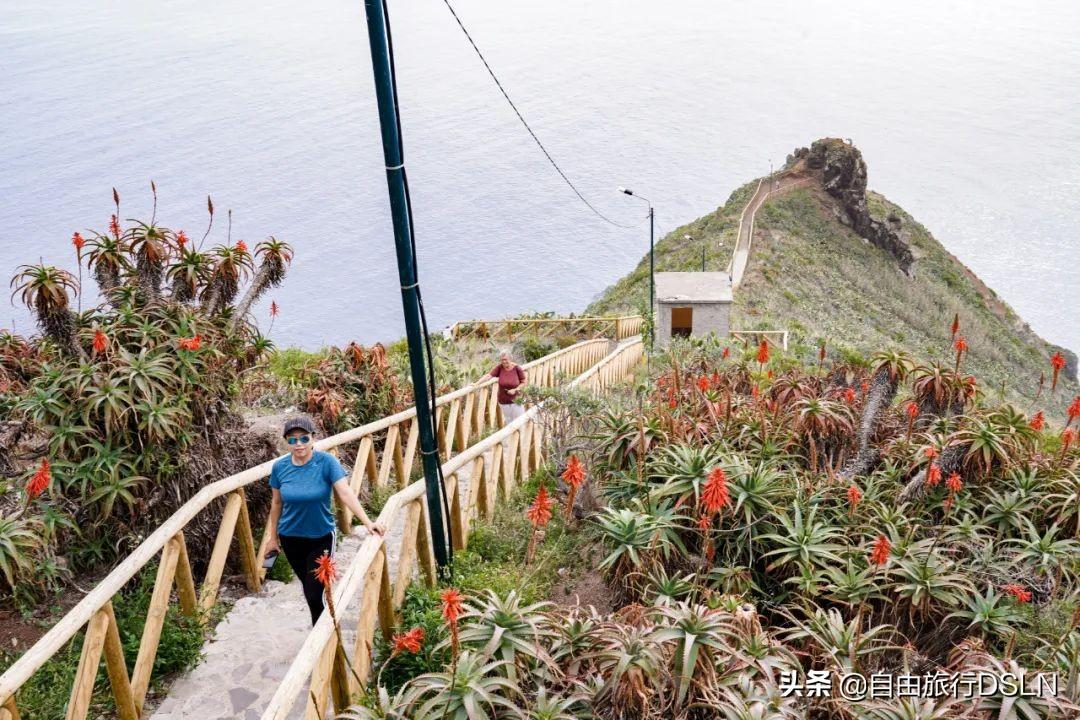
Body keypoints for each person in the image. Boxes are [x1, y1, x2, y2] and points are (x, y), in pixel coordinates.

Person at [263, 416, 385, 625]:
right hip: (290, 537)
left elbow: (345, 493)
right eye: (292, 440)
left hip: (321, 537)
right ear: (286, 442)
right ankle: (323, 633)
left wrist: (367, 522)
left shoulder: (327, 462)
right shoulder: (280, 467)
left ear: (313, 438)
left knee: (313, 591)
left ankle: (320, 636)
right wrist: (272, 538)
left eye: (303, 438)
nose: (298, 444)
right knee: (309, 588)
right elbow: (276, 504)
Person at [486, 351, 527, 424]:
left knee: (520, 421)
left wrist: (515, 389)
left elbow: (524, 382)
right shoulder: (499, 367)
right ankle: (512, 436)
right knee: (509, 422)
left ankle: (521, 435)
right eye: (502, 360)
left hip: (516, 400)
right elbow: (489, 376)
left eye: (506, 359)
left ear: (510, 359)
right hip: (504, 401)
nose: (504, 361)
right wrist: (476, 383)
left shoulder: (517, 368)